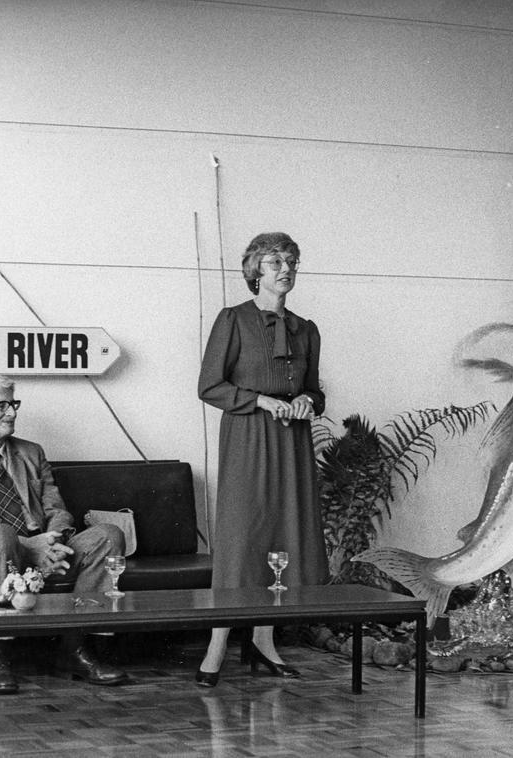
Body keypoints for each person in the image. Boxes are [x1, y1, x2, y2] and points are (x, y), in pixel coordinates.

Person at [0, 373, 128, 694]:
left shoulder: (31, 452)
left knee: (107, 535)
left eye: (13, 404)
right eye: (1, 405)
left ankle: (76, 648)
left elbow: (57, 509)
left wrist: (53, 543)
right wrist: (26, 544)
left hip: (40, 548)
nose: (12, 412)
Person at [196, 232, 328, 686]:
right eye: (274, 262)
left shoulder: (306, 328)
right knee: (241, 537)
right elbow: (209, 386)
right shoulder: (232, 320)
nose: (285, 269)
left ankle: (264, 641)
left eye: (291, 261)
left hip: (293, 440)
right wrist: (264, 402)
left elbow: (315, 389)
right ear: (255, 270)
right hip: (250, 434)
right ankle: (216, 645)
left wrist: (308, 401)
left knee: (283, 533)